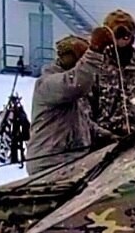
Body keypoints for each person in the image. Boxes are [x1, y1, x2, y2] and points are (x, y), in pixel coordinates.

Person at [25, 34, 116, 176]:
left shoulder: (69, 91)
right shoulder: (49, 84)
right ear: (65, 57)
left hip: (71, 163)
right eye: (80, 58)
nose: (81, 63)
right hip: (50, 165)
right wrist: (95, 52)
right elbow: (76, 83)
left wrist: (109, 137)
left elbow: (82, 123)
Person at [84, 8, 135, 142]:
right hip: (105, 143)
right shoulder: (96, 67)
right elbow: (86, 113)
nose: (122, 39)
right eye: (117, 33)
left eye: (126, 33)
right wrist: (104, 136)